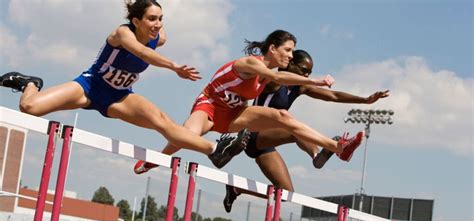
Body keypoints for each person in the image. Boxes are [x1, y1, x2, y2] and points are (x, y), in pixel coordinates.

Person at [0, 0, 250, 167]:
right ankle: (30, 83)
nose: (158, 25)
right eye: (152, 19)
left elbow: (151, 43)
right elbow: (141, 53)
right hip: (89, 87)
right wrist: (174, 67)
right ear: (136, 20)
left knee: (162, 122)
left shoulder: (159, 37)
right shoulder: (122, 34)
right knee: (30, 108)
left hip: (119, 96)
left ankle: (216, 148)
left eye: (161, 18)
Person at [134, 30, 365, 177]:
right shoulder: (251, 63)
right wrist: (316, 80)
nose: (291, 56)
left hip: (236, 113)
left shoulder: (269, 71)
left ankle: (338, 148)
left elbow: (279, 78)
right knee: (185, 135)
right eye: (288, 50)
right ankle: (154, 160)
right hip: (210, 106)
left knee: (283, 116)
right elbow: (277, 78)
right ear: (272, 48)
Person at [221, 49, 390, 212]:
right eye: (304, 70)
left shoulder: (300, 87)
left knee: (286, 193)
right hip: (252, 135)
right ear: (290, 64)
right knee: (293, 126)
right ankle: (320, 154)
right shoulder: (274, 81)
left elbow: (333, 96)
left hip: (265, 144)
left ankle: (236, 189)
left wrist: (365, 100)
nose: (306, 76)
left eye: (309, 73)